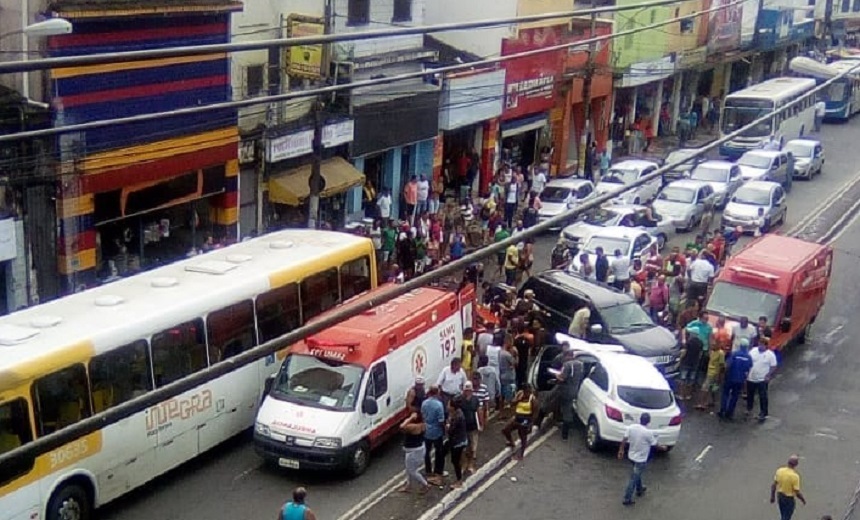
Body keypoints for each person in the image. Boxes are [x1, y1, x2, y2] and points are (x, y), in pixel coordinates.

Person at [618, 413, 667, 506]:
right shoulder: (648, 433)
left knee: (637, 474)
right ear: (649, 421)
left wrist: (621, 450)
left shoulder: (631, 427)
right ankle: (627, 498)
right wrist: (663, 448)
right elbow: (655, 445)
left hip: (631, 456)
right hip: (641, 459)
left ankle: (640, 489)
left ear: (640, 419)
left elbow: (624, 439)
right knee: (633, 478)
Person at [501, 383, 538, 460]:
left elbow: (534, 413)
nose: (528, 393)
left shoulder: (532, 399)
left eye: (529, 391)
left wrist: (530, 424)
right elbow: (512, 403)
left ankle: (521, 454)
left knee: (522, 435)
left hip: (526, 419)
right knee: (506, 430)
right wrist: (519, 400)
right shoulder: (520, 395)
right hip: (517, 417)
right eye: (526, 392)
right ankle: (511, 442)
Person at [719, 338, 752, 421]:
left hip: (730, 377)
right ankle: (729, 413)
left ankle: (722, 410)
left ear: (740, 345)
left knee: (725, 394)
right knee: (735, 396)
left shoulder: (734, 354)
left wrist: (723, 374)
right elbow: (749, 368)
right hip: (740, 379)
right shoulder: (748, 357)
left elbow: (727, 365)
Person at [398, 412, 430, 494]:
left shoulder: (414, 427)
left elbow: (402, 426)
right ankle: (408, 486)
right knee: (408, 469)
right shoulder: (422, 425)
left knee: (412, 471)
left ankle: (425, 484)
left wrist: (410, 418)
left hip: (414, 452)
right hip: (416, 450)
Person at [556, 349, 584, 440]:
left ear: (568, 356)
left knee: (566, 410)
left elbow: (562, 378)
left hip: (566, 390)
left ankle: (565, 433)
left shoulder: (567, 365)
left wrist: (557, 375)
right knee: (569, 408)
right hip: (575, 390)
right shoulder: (580, 364)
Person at [420, 385, 446, 485]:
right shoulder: (439, 405)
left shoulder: (424, 403)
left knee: (427, 452)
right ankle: (438, 471)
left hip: (427, 431)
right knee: (439, 452)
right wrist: (444, 429)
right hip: (437, 432)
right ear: (437, 393)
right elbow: (441, 420)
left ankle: (428, 470)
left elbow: (423, 416)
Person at [747, 340, 778, 422]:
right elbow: (748, 361)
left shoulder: (770, 355)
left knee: (763, 396)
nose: (760, 346)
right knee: (750, 394)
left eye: (762, 345)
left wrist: (768, 375)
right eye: (759, 344)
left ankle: (763, 412)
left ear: (766, 346)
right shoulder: (753, 351)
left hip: (762, 379)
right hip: (751, 378)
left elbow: (773, 366)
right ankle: (749, 409)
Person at [461, 378, 486, 474]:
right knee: (463, 448)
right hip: (463, 428)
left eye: (469, 390)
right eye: (466, 390)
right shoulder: (460, 399)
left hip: (473, 427)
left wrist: (481, 424)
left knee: (472, 448)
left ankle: (470, 465)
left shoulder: (475, 400)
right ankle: (463, 465)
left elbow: (479, 411)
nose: (467, 392)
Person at [771, 455, 807, 520]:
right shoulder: (795, 476)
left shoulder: (780, 471)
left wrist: (772, 496)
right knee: (786, 517)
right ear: (796, 464)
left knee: (783, 514)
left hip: (780, 496)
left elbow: (774, 485)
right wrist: (803, 500)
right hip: (788, 499)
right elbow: (797, 492)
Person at [446, 397, 469, 488]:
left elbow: (450, 430)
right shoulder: (457, 413)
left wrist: (447, 425)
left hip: (457, 442)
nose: (447, 406)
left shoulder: (457, 417)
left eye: (449, 404)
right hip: (460, 440)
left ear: (453, 407)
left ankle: (459, 481)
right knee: (456, 459)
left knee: (455, 461)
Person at [696, 341, 725, 411]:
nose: (712, 346)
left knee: (704, 388)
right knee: (712, 389)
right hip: (709, 372)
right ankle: (712, 401)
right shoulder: (712, 352)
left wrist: (719, 376)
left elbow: (722, 366)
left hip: (714, 373)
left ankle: (702, 404)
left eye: (714, 345)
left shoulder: (721, 353)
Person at [678, 333, 704, 401]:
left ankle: (681, 395)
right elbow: (700, 355)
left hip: (686, 363)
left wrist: (679, 360)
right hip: (695, 364)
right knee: (691, 380)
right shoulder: (700, 343)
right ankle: (688, 395)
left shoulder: (688, 342)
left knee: (683, 379)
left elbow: (684, 352)